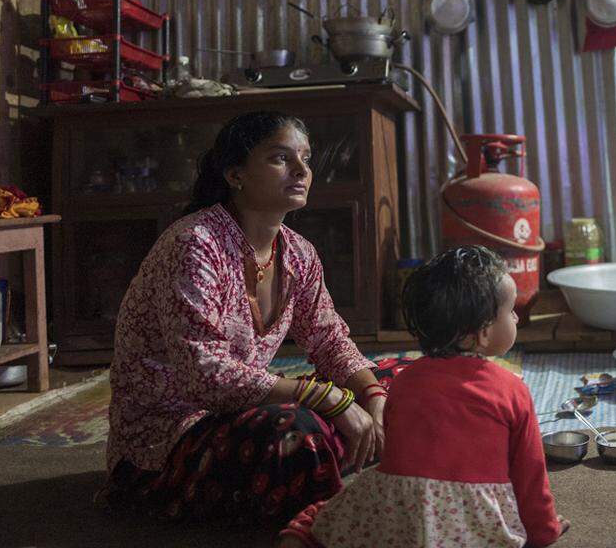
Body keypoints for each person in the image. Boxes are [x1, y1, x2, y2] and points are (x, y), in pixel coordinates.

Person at [102, 111, 410, 525]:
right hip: (173, 434)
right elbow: (205, 376)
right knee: (295, 432)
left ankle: (340, 454)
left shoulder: (298, 253)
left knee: (409, 382)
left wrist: (372, 397)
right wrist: (326, 397)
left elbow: (328, 340)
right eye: (281, 158)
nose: (301, 170)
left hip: (242, 409)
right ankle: (323, 489)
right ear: (235, 174)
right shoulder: (195, 244)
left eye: (305, 158)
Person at [279, 246, 568, 548]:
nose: (516, 320)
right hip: (473, 525)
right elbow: (531, 477)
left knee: (322, 517)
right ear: (481, 334)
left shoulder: (404, 382)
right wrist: (544, 531)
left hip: (399, 517)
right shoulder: (513, 389)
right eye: (511, 311)